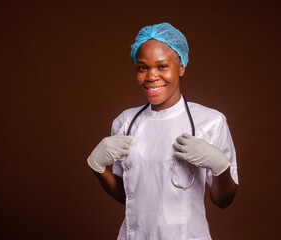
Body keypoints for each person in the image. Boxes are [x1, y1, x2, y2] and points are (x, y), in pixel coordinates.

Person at [87, 22, 238, 240]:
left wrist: (220, 166)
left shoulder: (210, 122)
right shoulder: (125, 122)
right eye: (142, 67)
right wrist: (98, 169)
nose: (151, 76)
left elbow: (223, 200)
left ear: (182, 67)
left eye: (162, 66)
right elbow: (131, 198)